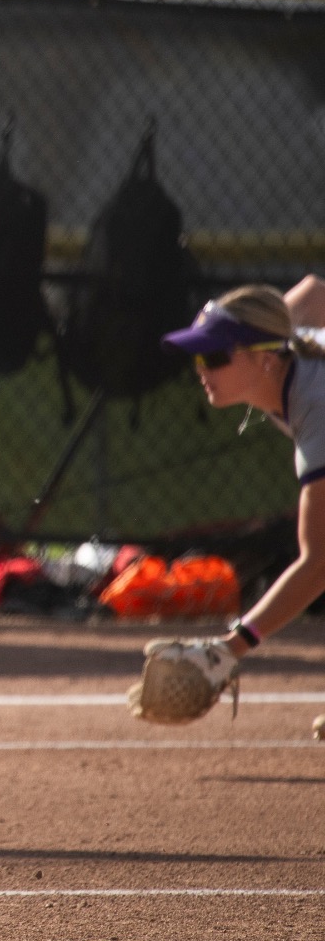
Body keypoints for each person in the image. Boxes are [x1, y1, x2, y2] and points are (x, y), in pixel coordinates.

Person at [154, 281, 325, 736]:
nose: (201, 368)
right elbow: (313, 292)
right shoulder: (282, 349)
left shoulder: (317, 405)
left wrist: (231, 648)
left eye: (214, 356)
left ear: (264, 359)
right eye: (198, 355)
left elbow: (317, 564)